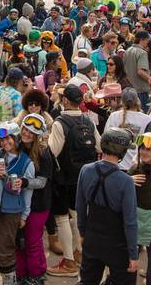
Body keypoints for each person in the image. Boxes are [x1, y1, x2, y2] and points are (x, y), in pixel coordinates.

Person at [47, 84, 100, 277]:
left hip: (64, 178)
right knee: (77, 215)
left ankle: (68, 261)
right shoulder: (89, 121)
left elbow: (53, 151)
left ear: (65, 101)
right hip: (84, 176)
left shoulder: (60, 123)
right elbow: (99, 146)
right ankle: (79, 252)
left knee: (62, 219)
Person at [75, 127, 138, 285]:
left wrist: (82, 233)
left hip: (92, 236)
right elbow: (130, 221)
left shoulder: (86, 170)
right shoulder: (126, 181)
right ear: (123, 152)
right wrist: (133, 254)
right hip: (117, 243)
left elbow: (80, 207)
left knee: (87, 281)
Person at [0, 121, 35, 285]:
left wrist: (24, 215)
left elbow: (28, 191)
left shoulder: (26, 162)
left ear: (16, 138)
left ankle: (9, 282)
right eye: (2, 140)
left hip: (12, 211)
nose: (4, 143)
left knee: (5, 249)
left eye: (8, 138)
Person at [15, 113, 53, 285]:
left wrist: (23, 182)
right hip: (18, 203)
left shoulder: (44, 153)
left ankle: (36, 275)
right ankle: (21, 273)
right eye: (25, 129)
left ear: (37, 135)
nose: (26, 133)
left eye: (31, 132)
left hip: (38, 205)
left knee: (32, 242)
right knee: (19, 242)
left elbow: (42, 182)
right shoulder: (17, 146)